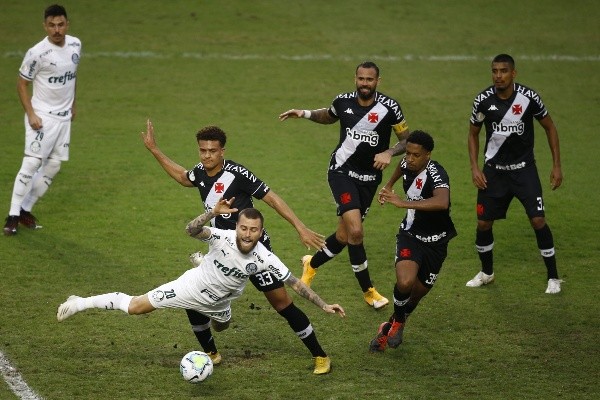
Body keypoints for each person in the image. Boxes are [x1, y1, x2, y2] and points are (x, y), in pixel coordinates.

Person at [57, 200, 346, 375]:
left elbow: (295, 284)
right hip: (190, 287)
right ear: (238, 227)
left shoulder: (265, 258)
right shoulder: (221, 237)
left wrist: (324, 305)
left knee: (222, 326)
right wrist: (210, 213)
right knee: (136, 307)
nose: (247, 234)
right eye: (243, 228)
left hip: (221, 301)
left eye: (253, 230)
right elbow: (191, 230)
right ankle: (79, 302)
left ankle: (210, 285)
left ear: (261, 232)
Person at [141, 121, 335, 375]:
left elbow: (272, 198)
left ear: (222, 151)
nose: (207, 155)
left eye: (212, 151)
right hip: (221, 249)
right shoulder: (199, 172)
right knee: (191, 297)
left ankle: (320, 355)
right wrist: (154, 149)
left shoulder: (237, 173)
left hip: (254, 251)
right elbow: (182, 177)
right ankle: (211, 353)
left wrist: (300, 227)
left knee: (282, 303)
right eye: (202, 150)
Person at [279, 61, 410, 309]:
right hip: (341, 172)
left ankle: (311, 264)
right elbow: (329, 116)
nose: (364, 84)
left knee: (343, 235)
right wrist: (304, 113)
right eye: (361, 79)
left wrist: (389, 152)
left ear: (377, 82)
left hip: (370, 179)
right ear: (355, 79)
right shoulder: (343, 101)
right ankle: (369, 291)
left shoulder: (390, 107)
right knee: (356, 232)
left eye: (369, 80)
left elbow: (406, 140)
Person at [465, 54, 563, 294]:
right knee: (483, 222)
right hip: (494, 173)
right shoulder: (483, 100)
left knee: (538, 220)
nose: (498, 75)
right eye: (495, 71)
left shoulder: (529, 98)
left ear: (513, 74)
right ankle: (486, 273)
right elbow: (473, 134)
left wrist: (556, 165)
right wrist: (475, 167)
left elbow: (549, 127)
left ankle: (554, 277)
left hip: (524, 171)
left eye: (503, 71)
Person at [368, 130, 456, 352]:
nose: (409, 158)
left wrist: (402, 203)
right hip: (410, 236)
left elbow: (442, 202)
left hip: (437, 242)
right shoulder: (408, 164)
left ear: (428, 155)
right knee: (405, 283)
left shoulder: (437, 173)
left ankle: (388, 326)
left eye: (416, 155)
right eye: (407, 153)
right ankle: (398, 323)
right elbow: (401, 167)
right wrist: (388, 185)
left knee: (415, 295)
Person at [3, 4, 81, 236]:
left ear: (67, 24)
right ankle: (12, 215)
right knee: (31, 164)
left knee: (54, 165)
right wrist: (31, 114)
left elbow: (72, 78)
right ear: (45, 26)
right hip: (42, 118)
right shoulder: (37, 53)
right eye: (51, 25)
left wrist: (73, 104)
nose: (56, 29)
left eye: (60, 24)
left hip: (64, 119)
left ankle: (26, 209)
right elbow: (21, 84)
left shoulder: (76, 45)